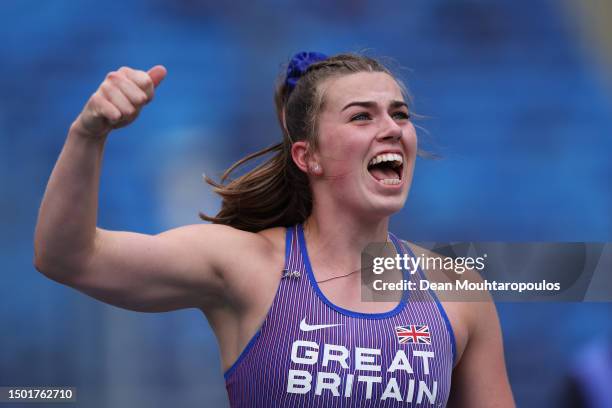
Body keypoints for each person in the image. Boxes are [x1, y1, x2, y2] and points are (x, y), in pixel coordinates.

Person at [34, 51, 515, 407]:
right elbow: (67, 256)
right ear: (309, 157)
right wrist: (88, 133)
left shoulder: (454, 291)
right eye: (362, 116)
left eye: (400, 114)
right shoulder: (247, 266)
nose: (392, 127)